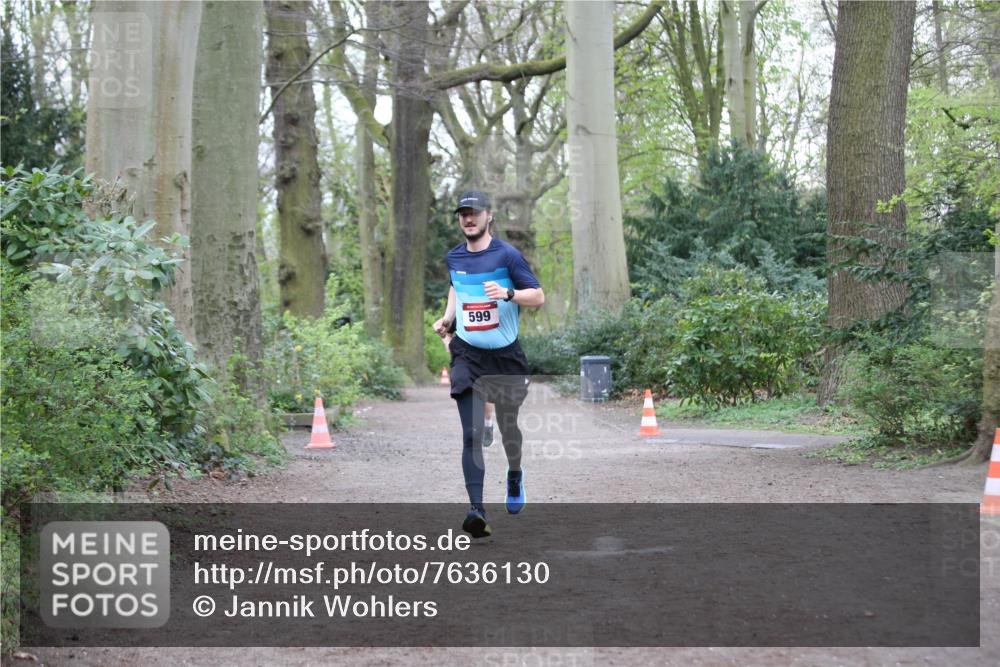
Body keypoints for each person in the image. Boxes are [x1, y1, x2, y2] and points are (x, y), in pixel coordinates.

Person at [432, 189, 544, 538]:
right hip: (468, 354)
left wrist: (508, 293)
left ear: (488, 216)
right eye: (463, 213)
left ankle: (514, 474)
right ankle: (476, 511)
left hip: (505, 358)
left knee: (509, 428)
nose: (468, 218)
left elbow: (538, 297)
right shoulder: (454, 257)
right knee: (471, 434)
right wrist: (448, 319)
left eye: (474, 212)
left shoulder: (508, 256)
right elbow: (456, 287)